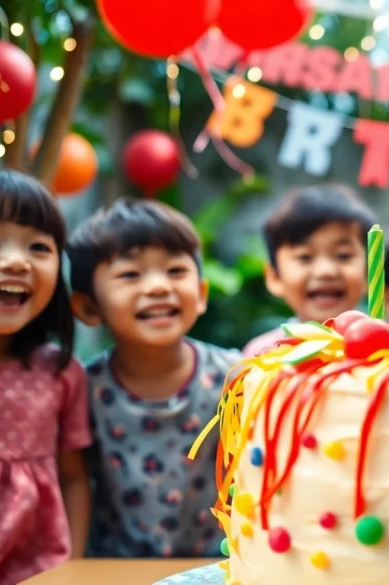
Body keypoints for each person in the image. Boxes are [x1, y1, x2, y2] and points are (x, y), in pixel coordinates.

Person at [66, 199, 241, 558]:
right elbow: (73, 481)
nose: (159, 287)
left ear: (202, 294)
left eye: (176, 271)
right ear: (88, 307)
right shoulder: (83, 388)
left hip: (216, 566)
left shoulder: (234, 376)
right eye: (130, 275)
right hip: (117, 570)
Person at [0, 169, 91, 584]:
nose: (17, 261)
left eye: (39, 247)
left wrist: (74, 568)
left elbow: (73, 477)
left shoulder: (60, 372)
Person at [244, 185, 376, 356]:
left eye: (343, 256)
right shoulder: (262, 354)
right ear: (274, 277)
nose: (326, 271)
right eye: (304, 257)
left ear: (368, 273)